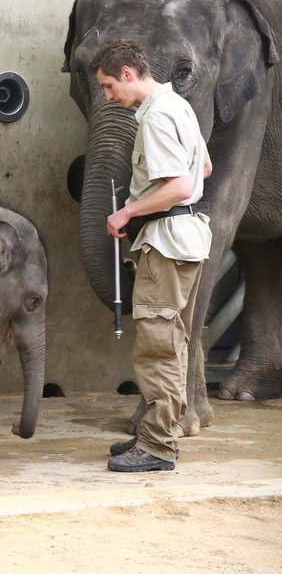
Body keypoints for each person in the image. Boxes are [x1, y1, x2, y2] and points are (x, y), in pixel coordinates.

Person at [92, 38, 213, 473]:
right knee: (173, 340)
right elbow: (204, 169)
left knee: (157, 344)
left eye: (108, 87)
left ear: (128, 74)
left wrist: (129, 209)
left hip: (167, 243)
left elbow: (181, 186)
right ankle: (160, 433)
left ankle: (158, 447)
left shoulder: (157, 117)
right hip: (189, 238)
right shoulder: (179, 106)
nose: (108, 97)